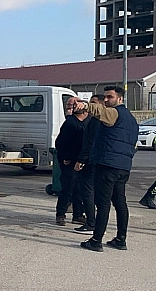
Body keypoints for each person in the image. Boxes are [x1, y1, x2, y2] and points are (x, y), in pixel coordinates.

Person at [73, 86, 139, 252]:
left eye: (110, 97)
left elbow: (99, 111)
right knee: (120, 203)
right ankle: (121, 239)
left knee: (102, 204)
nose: (107, 100)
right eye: (106, 97)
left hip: (107, 165)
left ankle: (96, 240)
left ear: (120, 99)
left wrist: (85, 105)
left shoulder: (114, 113)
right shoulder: (131, 120)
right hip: (123, 167)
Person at [73, 94, 105, 234]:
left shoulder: (96, 121)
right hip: (97, 159)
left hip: (91, 160)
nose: (90, 105)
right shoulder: (94, 120)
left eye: (93, 103)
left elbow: (90, 142)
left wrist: (81, 159)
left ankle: (91, 222)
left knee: (88, 191)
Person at [54, 96, 88, 226]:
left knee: (79, 190)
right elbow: (61, 142)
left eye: (76, 104)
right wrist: (65, 158)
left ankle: (78, 214)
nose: (74, 106)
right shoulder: (70, 122)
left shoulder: (86, 122)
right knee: (68, 189)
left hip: (82, 160)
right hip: (70, 161)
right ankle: (61, 214)